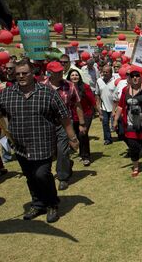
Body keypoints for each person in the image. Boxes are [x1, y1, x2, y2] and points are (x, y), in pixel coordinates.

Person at [0, 59, 79, 223]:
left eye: (25, 73)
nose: (21, 76)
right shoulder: (7, 93)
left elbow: (64, 116)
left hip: (42, 143)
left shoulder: (47, 92)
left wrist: (72, 137)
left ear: (33, 74)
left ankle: (52, 204)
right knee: (30, 176)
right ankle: (38, 204)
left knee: (42, 174)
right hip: (20, 145)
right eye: (18, 74)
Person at [45, 61, 87, 191]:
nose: (60, 74)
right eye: (57, 72)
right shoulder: (41, 87)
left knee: (63, 150)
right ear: (50, 73)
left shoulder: (70, 86)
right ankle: (67, 164)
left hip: (64, 124)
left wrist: (81, 123)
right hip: (46, 124)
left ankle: (63, 178)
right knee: (53, 152)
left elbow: (78, 105)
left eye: (61, 71)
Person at [113, 70, 142, 177]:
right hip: (130, 123)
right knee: (133, 145)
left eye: (137, 76)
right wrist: (115, 120)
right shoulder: (125, 90)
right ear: (129, 78)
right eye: (132, 76)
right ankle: (136, 167)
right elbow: (120, 106)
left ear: (141, 77)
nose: (135, 78)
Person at [68, 69, 100, 166]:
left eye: (76, 75)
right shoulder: (66, 88)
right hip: (73, 116)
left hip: (86, 114)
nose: (74, 77)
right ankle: (82, 154)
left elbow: (92, 101)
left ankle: (86, 157)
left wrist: (99, 112)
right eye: (72, 75)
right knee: (78, 135)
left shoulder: (85, 87)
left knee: (83, 134)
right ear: (69, 77)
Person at [96, 65, 117, 145]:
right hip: (104, 106)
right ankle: (108, 139)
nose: (104, 73)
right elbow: (97, 94)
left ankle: (121, 135)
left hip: (114, 107)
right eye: (103, 72)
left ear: (111, 73)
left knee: (117, 124)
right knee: (105, 123)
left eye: (106, 72)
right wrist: (98, 108)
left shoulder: (115, 81)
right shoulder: (99, 81)